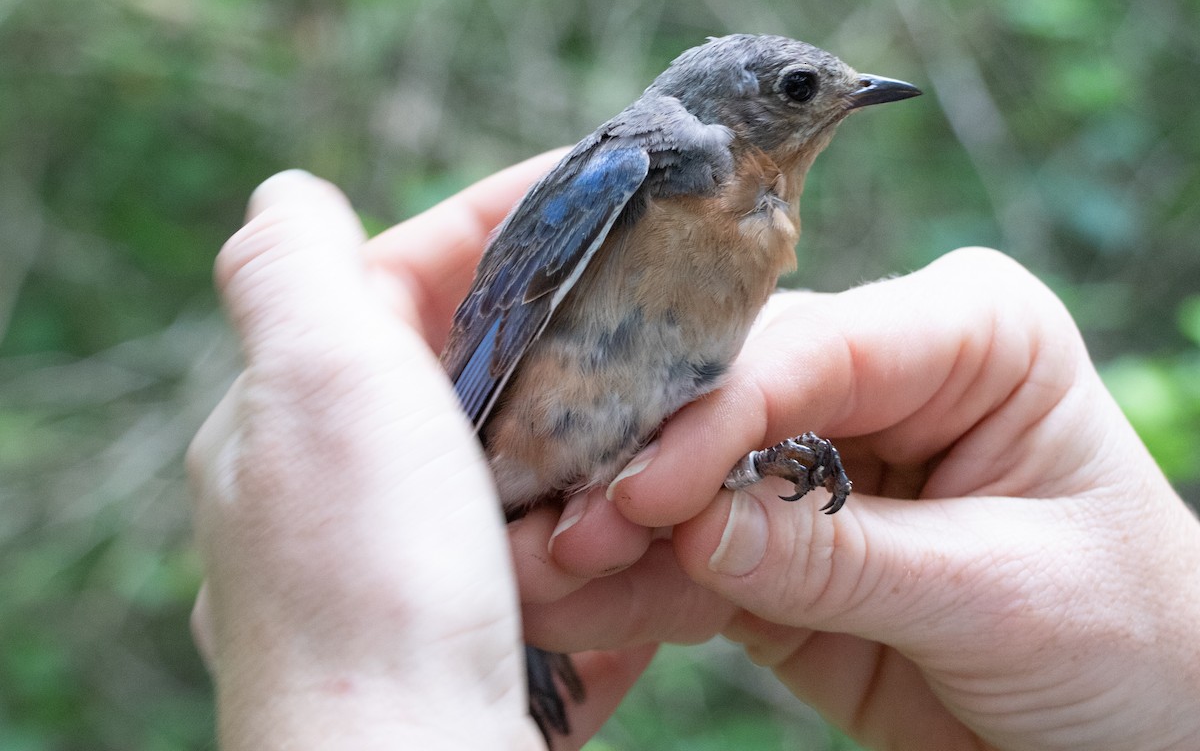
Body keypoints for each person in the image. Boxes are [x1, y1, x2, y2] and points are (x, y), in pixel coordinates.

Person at [187, 156, 1200, 751]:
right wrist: (377, 678)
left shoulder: (758, 229)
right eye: (802, 90)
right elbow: (495, 344)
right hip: (510, 461)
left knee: (679, 480)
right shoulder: (635, 171)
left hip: (589, 480)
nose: (827, 109)